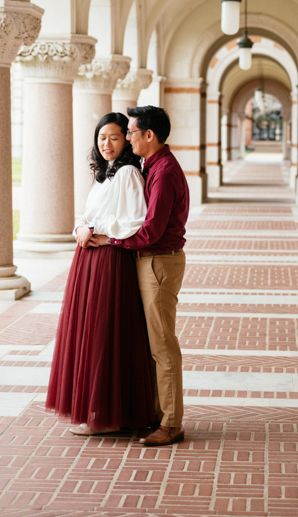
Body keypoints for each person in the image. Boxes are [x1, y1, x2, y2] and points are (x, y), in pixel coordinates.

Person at [45, 112, 155, 435]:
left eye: (115, 137)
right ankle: (96, 410)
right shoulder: (105, 175)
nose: (106, 144)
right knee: (88, 333)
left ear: (127, 141)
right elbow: (91, 213)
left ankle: (105, 416)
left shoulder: (128, 174)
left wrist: (95, 229)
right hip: (89, 260)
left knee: (104, 335)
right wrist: (81, 225)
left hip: (110, 261)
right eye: (101, 137)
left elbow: (136, 219)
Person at [91, 105, 189, 447]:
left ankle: (172, 423)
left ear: (149, 135)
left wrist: (110, 239)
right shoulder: (152, 164)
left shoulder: (164, 173)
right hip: (148, 260)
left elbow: (150, 231)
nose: (127, 137)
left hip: (158, 261)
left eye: (130, 132)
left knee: (162, 345)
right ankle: (154, 414)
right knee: (149, 343)